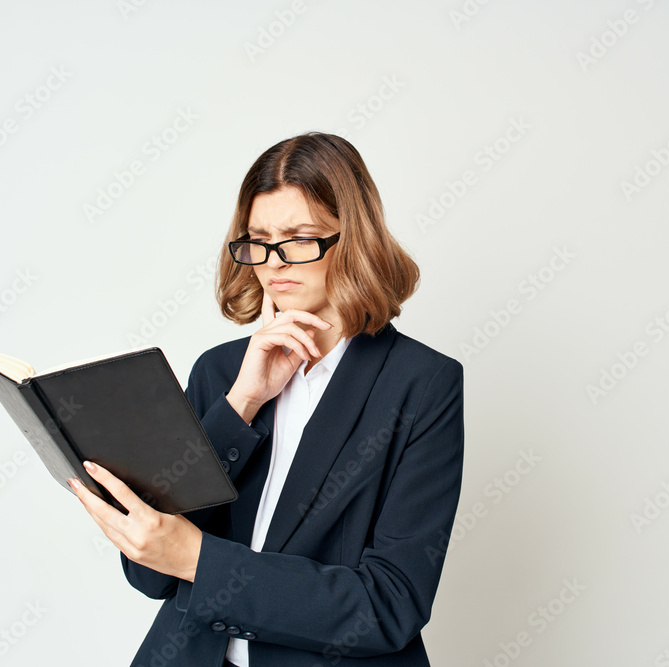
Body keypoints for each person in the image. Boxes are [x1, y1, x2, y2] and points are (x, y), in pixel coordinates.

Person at [70, 132, 465, 666]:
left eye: (300, 239)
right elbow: (150, 576)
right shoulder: (220, 372)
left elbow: (389, 606)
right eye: (258, 240)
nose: (274, 263)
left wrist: (200, 561)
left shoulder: (423, 383)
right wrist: (242, 403)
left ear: (354, 239)